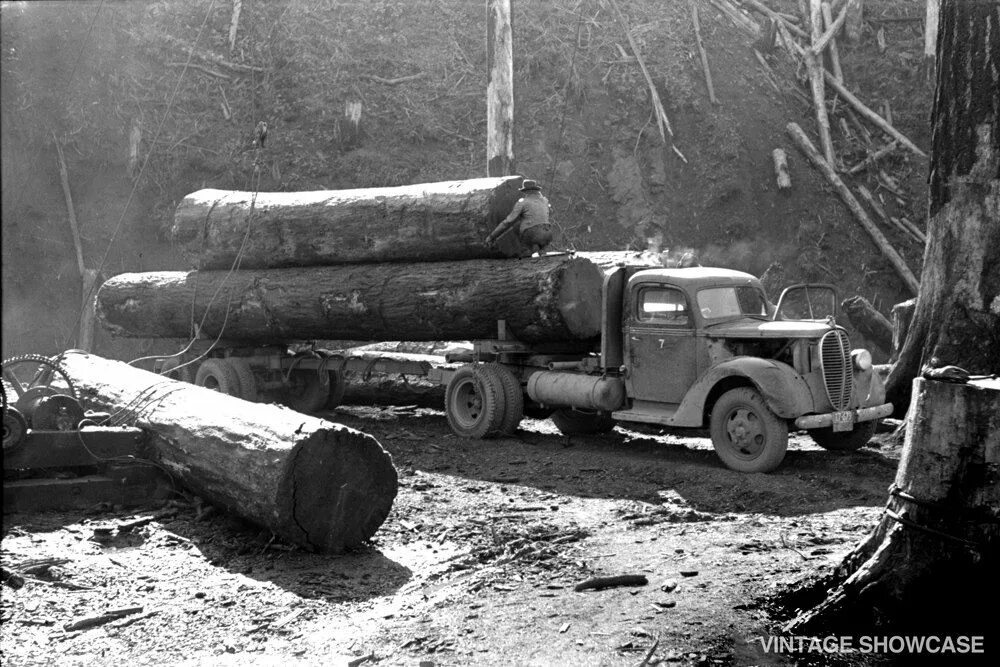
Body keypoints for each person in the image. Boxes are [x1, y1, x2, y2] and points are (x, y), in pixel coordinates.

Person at [485, 179, 554, 256]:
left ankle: (526, 249)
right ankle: (541, 249)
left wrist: (492, 236)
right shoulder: (545, 200)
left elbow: (507, 222)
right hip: (548, 234)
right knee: (537, 228)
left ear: (525, 191)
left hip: (532, 234)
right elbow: (550, 212)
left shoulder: (522, 202)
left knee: (517, 226)